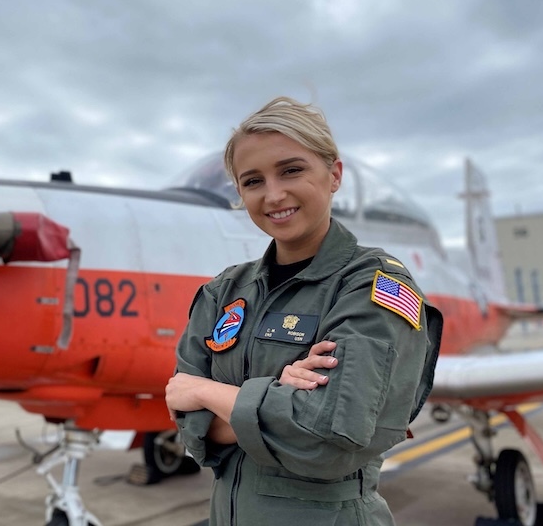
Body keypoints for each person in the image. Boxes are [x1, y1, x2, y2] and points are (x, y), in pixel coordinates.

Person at [165, 97, 442, 525]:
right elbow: (192, 430)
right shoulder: (223, 291)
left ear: (334, 175)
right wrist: (280, 395)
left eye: (291, 170)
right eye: (253, 180)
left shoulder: (375, 285)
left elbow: (329, 442)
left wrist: (209, 393)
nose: (274, 195)